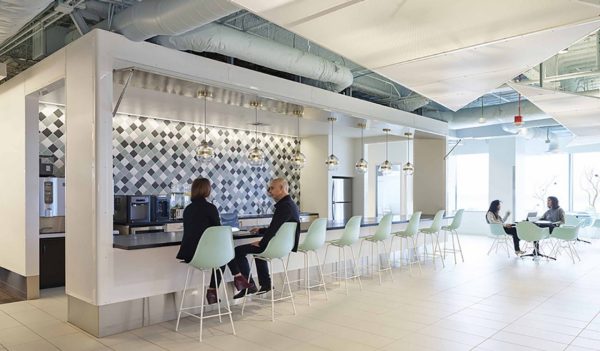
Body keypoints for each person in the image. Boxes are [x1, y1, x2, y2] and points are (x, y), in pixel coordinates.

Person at [227, 178, 300, 298]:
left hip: (275, 246)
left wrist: (262, 243)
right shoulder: (290, 204)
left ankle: (249, 286)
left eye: (272, 188)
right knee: (260, 253)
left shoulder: (284, 206)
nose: (269, 191)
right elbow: (278, 228)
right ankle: (265, 284)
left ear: (281, 188)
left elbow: (273, 230)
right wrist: (261, 230)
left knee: (237, 251)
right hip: (283, 246)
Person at [176, 178, 229, 305]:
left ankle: (235, 280)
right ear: (207, 190)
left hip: (189, 254)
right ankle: (212, 290)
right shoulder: (210, 208)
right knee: (224, 258)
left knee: (224, 257)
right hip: (203, 255)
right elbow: (218, 230)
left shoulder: (188, 209)